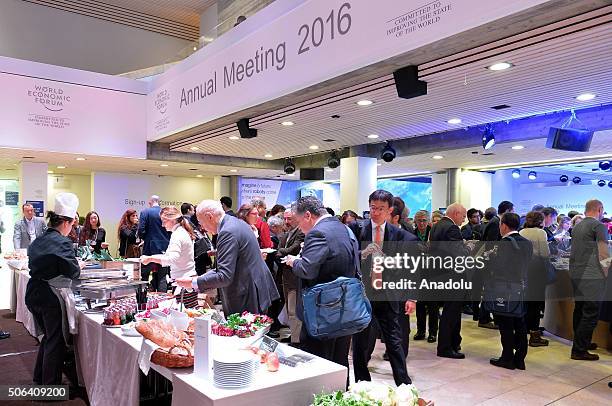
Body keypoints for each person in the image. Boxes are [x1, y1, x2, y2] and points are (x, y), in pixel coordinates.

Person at [283, 196, 359, 389]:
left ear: (308, 215)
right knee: (339, 361)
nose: (299, 228)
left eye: (299, 222)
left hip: (321, 311)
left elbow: (307, 270)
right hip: (344, 308)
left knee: (319, 363)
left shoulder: (318, 233)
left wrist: (294, 261)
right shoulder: (343, 228)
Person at [349, 190, 414, 386]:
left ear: (390, 211)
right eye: (373, 208)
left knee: (394, 341)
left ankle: (403, 383)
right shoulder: (356, 228)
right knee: (361, 342)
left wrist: (412, 297)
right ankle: (362, 383)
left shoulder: (400, 235)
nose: (376, 213)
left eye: (381, 209)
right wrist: (362, 253)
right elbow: (347, 255)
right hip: (363, 295)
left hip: (387, 294)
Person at [175, 200, 279, 315]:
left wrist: (194, 282)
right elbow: (225, 267)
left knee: (244, 331)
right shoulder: (235, 223)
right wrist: (199, 278)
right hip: (253, 288)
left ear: (209, 217)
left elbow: (224, 275)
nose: (202, 228)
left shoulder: (227, 232)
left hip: (247, 294)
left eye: (201, 223)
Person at [26, 193, 82, 384]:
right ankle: (50, 386)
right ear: (66, 222)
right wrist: (77, 266)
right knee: (55, 340)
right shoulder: (62, 242)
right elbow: (73, 272)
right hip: (49, 296)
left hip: (33, 292)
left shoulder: (39, 240)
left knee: (48, 337)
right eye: (72, 225)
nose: (71, 229)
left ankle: (39, 377)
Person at [488, 212, 533, 370]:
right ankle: (520, 359)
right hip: (521, 288)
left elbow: (498, 267)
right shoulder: (527, 243)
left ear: (504, 225)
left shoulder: (504, 244)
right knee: (520, 322)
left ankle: (507, 358)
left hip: (503, 288)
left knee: (505, 323)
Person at [569, 199, 609, 361]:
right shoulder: (599, 226)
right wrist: (606, 272)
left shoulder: (577, 225)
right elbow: (603, 253)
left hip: (576, 273)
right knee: (590, 312)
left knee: (580, 309)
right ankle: (579, 349)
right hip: (592, 275)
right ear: (599, 209)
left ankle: (580, 342)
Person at [430, 203, 470, 359]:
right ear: (455, 213)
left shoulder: (436, 226)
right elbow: (458, 254)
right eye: (463, 215)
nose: (464, 219)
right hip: (452, 276)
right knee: (450, 313)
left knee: (449, 312)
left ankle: (452, 343)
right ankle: (445, 347)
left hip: (440, 274)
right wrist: (468, 248)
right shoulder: (452, 228)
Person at [141, 207, 198, 308]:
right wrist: (151, 257)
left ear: (172, 220)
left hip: (184, 282)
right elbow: (170, 257)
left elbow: (171, 259)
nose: (162, 225)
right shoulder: (181, 232)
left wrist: (150, 259)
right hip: (186, 280)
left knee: (186, 318)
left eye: (164, 221)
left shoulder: (178, 235)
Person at [477, 200, 515, 328]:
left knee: (490, 290)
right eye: (512, 211)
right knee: (489, 290)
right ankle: (483, 318)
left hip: (489, 263)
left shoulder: (494, 221)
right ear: (508, 211)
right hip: (490, 264)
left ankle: (485, 317)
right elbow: (492, 245)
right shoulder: (495, 223)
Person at [519, 211, 551, 347]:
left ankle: (526, 329)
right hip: (537, 270)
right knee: (536, 303)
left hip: (524, 269)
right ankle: (534, 334)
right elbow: (545, 253)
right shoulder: (540, 233)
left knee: (527, 301)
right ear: (540, 221)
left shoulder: (522, 232)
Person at [277, 209, 305, 344]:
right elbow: (281, 247)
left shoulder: (300, 232)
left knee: (294, 311)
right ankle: (293, 335)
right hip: (286, 277)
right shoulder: (287, 233)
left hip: (294, 277)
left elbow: (293, 249)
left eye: (290, 219)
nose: (287, 222)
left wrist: (279, 252)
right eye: (285, 219)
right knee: (289, 310)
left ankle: (296, 340)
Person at [412, 210, 439, 343]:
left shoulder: (434, 233)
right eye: (419, 221)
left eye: (424, 220)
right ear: (415, 221)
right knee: (420, 305)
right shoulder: (412, 234)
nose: (421, 223)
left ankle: (433, 332)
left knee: (433, 305)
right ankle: (421, 331)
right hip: (418, 273)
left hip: (433, 273)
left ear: (428, 221)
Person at [138, 195, 171, 292]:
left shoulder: (145, 212)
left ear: (150, 202)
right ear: (158, 202)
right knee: (162, 277)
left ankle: (143, 301)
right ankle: (162, 302)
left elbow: (141, 229)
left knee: (144, 276)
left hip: (149, 247)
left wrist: (145, 239)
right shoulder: (165, 213)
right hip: (165, 247)